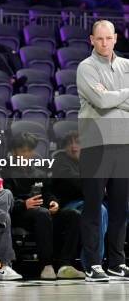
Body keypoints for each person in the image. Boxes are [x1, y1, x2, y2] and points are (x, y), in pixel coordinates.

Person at [76, 19, 129, 281]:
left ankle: (116, 262)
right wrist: (123, 96)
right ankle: (93, 264)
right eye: (99, 39)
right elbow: (100, 100)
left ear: (116, 38)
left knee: (121, 206)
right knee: (94, 206)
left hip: (124, 144)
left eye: (109, 38)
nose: (104, 43)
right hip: (96, 145)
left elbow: (109, 100)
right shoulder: (86, 68)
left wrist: (114, 96)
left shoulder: (126, 66)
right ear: (91, 40)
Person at [1, 132, 84, 280]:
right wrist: (24, 204)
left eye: (30, 150)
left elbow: (49, 193)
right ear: (14, 152)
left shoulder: (39, 171)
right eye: (23, 151)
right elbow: (4, 200)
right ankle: (46, 265)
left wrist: (54, 202)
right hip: (20, 215)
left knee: (73, 215)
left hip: (43, 213)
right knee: (42, 213)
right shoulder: (5, 173)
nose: (27, 154)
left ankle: (65, 265)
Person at [52, 131, 108, 268]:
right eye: (69, 144)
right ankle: (92, 264)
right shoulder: (60, 161)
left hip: (90, 201)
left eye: (77, 142)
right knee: (99, 210)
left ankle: (113, 262)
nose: (73, 147)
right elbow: (75, 184)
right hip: (68, 205)